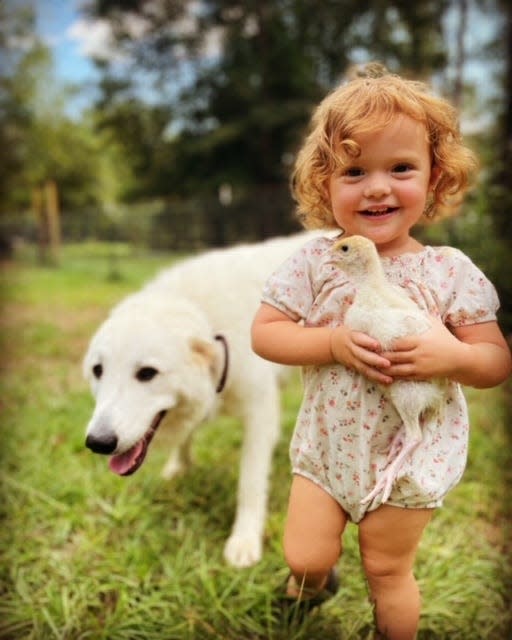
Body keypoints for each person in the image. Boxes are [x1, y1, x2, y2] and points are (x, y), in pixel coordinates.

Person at [251, 64, 512, 640]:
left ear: (435, 176)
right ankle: (310, 584)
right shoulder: (316, 263)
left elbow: (495, 361)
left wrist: (455, 357)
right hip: (329, 445)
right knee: (305, 555)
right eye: (354, 170)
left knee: (387, 569)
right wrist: (330, 342)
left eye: (400, 168)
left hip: (410, 453)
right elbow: (266, 333)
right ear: (325, 185)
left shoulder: (449, 272)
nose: (376, 187)